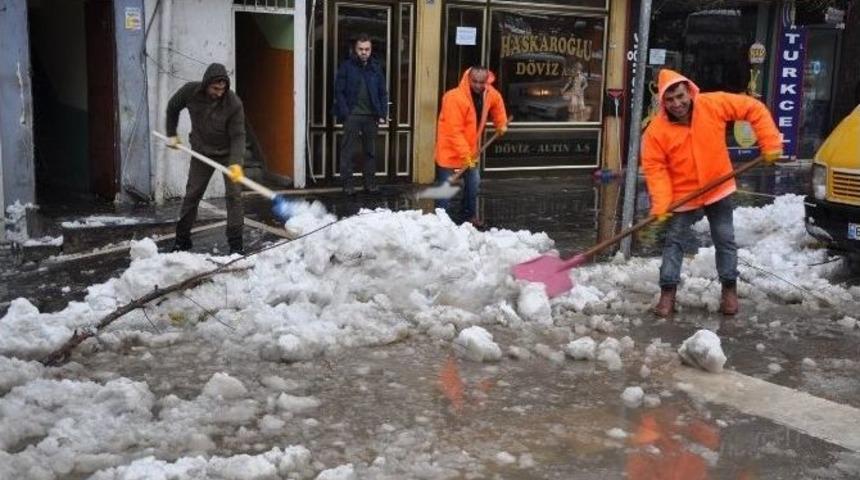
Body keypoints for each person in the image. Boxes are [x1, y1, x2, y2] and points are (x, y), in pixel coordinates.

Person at [641, 68, 782, 317]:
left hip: (717, 186)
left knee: (724, 238)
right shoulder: (656, 131)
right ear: (662, 101)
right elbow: (656, 169)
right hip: (683, 194)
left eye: (680, 96)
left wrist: (769, 142)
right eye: (670, 99)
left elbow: (753, 108)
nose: (677, 104)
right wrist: (662, 203)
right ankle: (667, 294)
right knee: (674, 241)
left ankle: (729, 290)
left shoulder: (712, 104)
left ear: (690, 91)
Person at [165, 63, 247, 255]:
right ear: (206, 84)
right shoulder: (190, 92)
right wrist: (171, 133)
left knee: (234, 196)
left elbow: (238, 135)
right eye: (215, 88)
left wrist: (236, 163)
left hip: (227, 154)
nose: (219, 93)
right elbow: (172, 107)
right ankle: (182, 240)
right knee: (192, 194)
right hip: (202, 152)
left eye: (223, 88)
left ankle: (236, 246)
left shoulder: (233, 103)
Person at [434, 66, 508, 227]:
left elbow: (497, 103)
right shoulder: (454, 97)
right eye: (474, 81)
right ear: (468, 78)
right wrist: (466, 155)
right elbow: (454, 131)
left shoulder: (488, 93)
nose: (478, 85)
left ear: (487, 80)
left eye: (482, 82)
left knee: (473, 182)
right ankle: (441, 221)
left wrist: (500, 123)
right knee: (445, 187)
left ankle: (468, 215)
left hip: (469, 152)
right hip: (449, 151)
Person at [334, 33, 389, 195]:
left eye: (367, 49)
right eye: (361, 49)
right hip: (352, 115)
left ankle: (370, 184)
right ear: (355, 49)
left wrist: (382, 112)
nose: (364, 52)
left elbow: (382, 93)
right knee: (348, 151)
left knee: (370, 152)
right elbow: (339, 91)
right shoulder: (346, 66)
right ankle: (348, 185)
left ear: (371, 50)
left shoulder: (376, 67)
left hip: (371, 116)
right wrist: (346, 113)